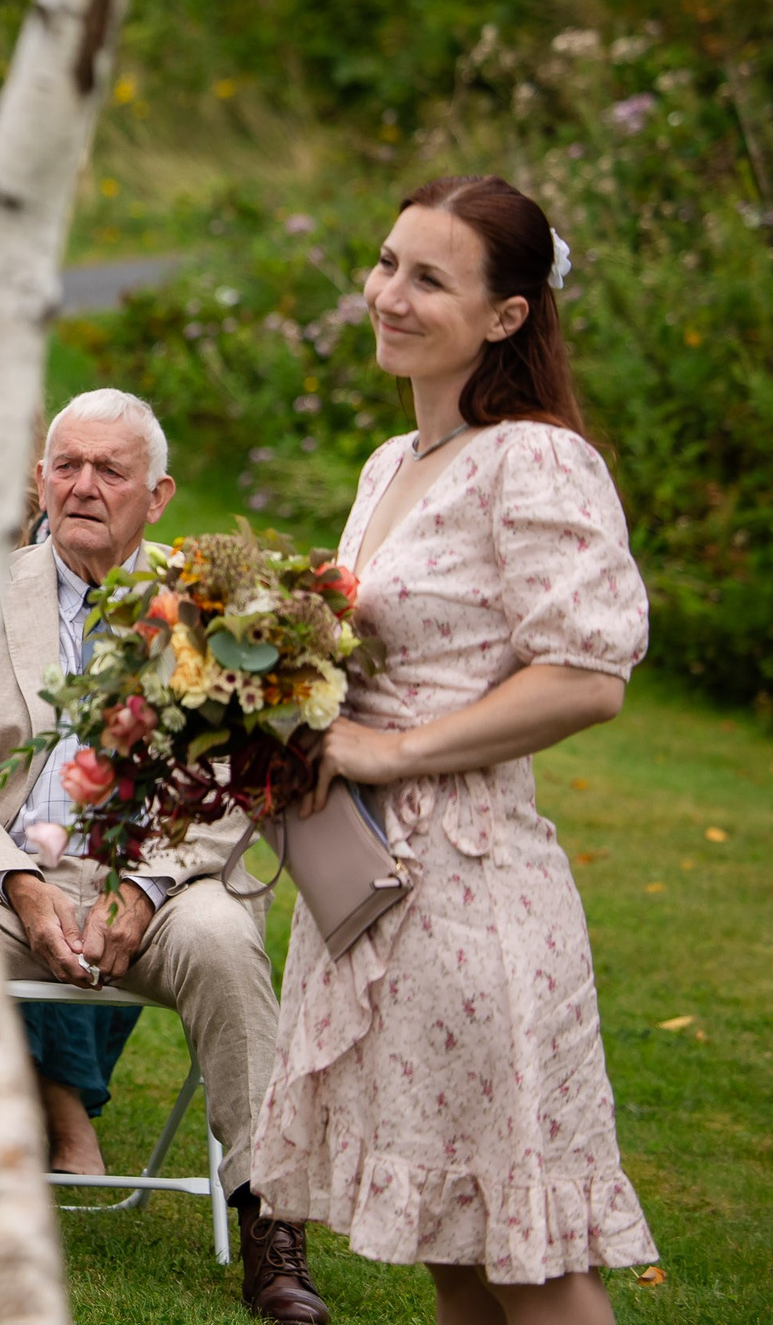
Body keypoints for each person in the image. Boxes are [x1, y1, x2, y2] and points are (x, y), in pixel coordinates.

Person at [252, 176, 657, 1325]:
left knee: (530, 1258)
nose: (386, 294)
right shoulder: (394, 461)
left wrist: (393, 751)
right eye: (386, 262)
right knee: (452, 1246)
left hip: (472, 894)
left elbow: (586, 677)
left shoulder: (535, 460)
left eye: (428, 278)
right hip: (370, 886)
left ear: (506, 316)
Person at [0, 387, 325, 1321]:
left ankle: (273, 1222)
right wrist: (18, 884)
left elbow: (239, 778)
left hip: (168, 879)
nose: (85, 485)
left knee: (227, 944)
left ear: (159, 493)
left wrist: (141, 888)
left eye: (112, 469)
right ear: (37, 479)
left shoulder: (216, 607)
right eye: (67, 465)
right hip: (13, 872)